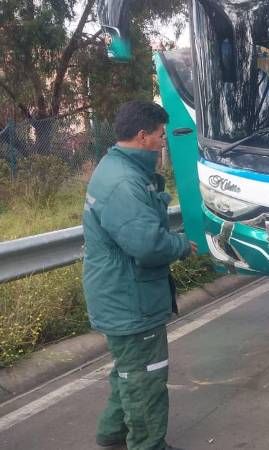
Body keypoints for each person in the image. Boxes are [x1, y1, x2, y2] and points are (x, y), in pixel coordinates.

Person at [82, 101, 196, 450]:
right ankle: (147, 445)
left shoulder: (117, 168)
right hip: (129, 296)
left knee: (129, 370)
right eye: (161, 135)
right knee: (145, 376)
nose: (164, 141)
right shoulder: (124, 183)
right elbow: (146, 243)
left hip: (122, 291)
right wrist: (180, 246)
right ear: (143, 135)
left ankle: (112, 433)